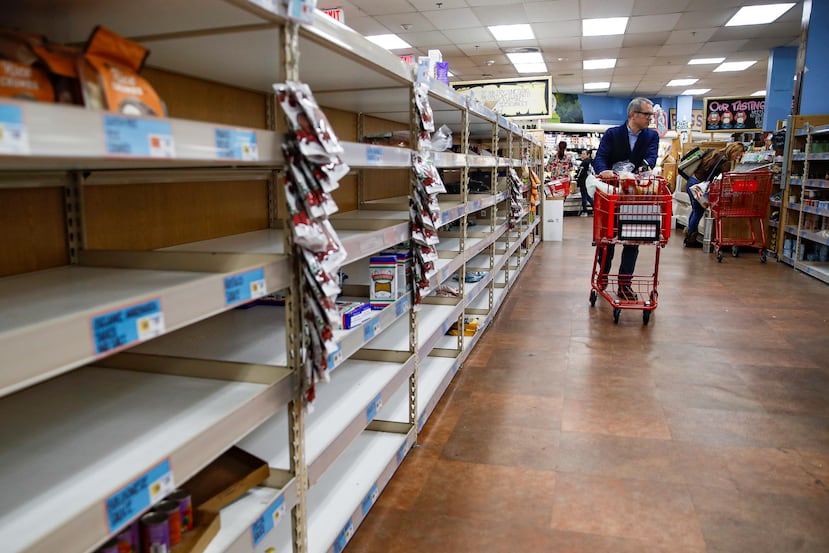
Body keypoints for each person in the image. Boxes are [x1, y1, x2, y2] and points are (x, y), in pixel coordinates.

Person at [592, 97, 660, 300]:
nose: (650, 118)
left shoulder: (652, 136)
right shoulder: (613, 134)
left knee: (633, 239)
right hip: (611, 193)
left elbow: (652, 157)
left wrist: (643, 168)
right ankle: (603, 275)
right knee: (608, 239)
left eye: (651, 115)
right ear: (633, 115)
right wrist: (603, 170)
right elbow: (600, 157)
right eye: (647, 114)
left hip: (636, 194)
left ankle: (624, 284)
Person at [684, 142, 746, 247]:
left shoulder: (715, 152)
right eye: (738, 154)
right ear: (734, 151)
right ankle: (691, 239)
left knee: (695, 210)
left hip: (691, 181)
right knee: (698, 211)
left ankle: (689, 235)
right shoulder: (725, 162)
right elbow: (722, 179)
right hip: (699, 186)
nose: (738, 157)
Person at [576, 149, 593, 216]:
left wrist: (577, 178)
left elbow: (580, 172)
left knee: (584, 196)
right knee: (588, 196)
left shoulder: (584, 162)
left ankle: (585, 211)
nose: (582, 155)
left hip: (583, 181)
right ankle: (595, 208)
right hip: (589, 180)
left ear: (588, 155)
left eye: (584, 154)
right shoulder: (591, 162)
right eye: (582, 154)